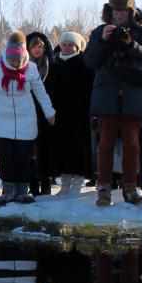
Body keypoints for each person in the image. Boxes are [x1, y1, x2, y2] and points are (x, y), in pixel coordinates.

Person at [83, 0, 142, 206]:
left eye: (123, 11)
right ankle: (104, 189)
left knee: (132, 143)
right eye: (115, 11)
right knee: (105, 142)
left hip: (133, 92)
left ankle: (131, 187)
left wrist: (131, 44)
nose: (118, 15)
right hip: (107, 93)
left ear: (131, 11)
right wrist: (103, 42)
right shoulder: (100, 31)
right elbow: (90, 61)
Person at [0, 31, 55, 205]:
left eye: (18, 61)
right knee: (5, 156)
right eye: (12, 60)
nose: (15, 64)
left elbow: (40, 92)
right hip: (1, 118)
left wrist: (49, 112)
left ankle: (22, 191)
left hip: (25, 118)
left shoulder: (31, 69)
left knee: (23, 156)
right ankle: (8, 191)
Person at [47, 31, 93, 195]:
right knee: (62, 148)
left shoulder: (84, 63)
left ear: (77, 47)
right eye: (64, 44)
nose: (66, 47)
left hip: (79, 114)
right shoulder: (54, 63)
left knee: (78, 148)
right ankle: (65, 184)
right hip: (59, 113)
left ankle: (78, 183)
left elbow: (88, 89)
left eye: (70, 45)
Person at [26, 32, 55, 196]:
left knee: (44, 150)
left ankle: (46, 183)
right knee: (30, 151)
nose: (37, 50)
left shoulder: (50, 64)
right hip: (29, 112)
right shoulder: (23, 66)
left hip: (46, 113)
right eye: (33, 47)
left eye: (40, 47)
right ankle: (33, 183)